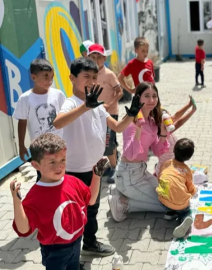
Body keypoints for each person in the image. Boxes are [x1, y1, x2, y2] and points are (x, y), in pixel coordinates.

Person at [53, 57, 143, 256]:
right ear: (72, 78)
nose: (92, 82)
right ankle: (72, 257)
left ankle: (90, 243)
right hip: (74, 172)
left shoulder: (99, 106)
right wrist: (85, 106)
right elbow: (58, 123)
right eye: (86, 77)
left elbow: (118, 127)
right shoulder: (71, 103)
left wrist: (132, 114)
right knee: (75, 214)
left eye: (94, 77)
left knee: (92, 208)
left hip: (95, 170)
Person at [11, 133, 109, 270]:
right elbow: (23, 230)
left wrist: (96, 176)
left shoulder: (73, 181)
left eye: (63, 160)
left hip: (76, 242)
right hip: (55, 249)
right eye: (52, 162)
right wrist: (17, 202)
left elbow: (91, 200)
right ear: (36, 165)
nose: (59, 166)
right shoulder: (35, 196)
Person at [108, 82, 169, 222]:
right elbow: (129, 154)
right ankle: (122, 203)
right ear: (138, 98)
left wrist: (163, 133)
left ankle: (118, 190)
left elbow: (158, 152)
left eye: (154, 96)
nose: (151, 100)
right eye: (146, 96)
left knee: (167, 197)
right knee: (166, 205)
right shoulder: (130, 122)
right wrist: (139, 129)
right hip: (129, 174)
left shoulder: (152, 121)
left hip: (141, 171)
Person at [13, 59, 66, 162]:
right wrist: (21, 146)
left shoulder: (58, 95)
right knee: (43, 174)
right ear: (33, 77)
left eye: (52, 77)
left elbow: (66, 117)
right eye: (45, 77)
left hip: (60, 145)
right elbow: (22, 122)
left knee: (61, 171)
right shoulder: (25, 98)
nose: (50, 81)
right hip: (40, 149)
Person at [88, 43, 123, 183]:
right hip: (95, 114)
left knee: (108, 144)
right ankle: (111, 161)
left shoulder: (109, 74)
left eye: (99, 57)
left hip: (110, 113)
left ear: (104, 58)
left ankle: (115, 168)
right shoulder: (89, 75)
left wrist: (110, 104)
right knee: (100, 141)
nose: (96, 60)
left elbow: (119, 92)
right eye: (92, 57)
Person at [156, 138, 197, 238]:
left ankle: (170, 213)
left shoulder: (166, 164)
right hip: (181, 205)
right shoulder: (186, 170)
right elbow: (191, 189)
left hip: (164, 202)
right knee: (186, 210)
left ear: (174, 150)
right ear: (189, 157)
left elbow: (160, 178)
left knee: (168, 191)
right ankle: (184, 218)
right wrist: (193, 192)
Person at [155, 96, 197, 177]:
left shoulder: (163, 129)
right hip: (166, 171)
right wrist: (192, 111)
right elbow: (179, 122)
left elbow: (176, 116)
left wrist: (189, 105)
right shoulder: (164, 134)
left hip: (166, 167)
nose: (171, 117)